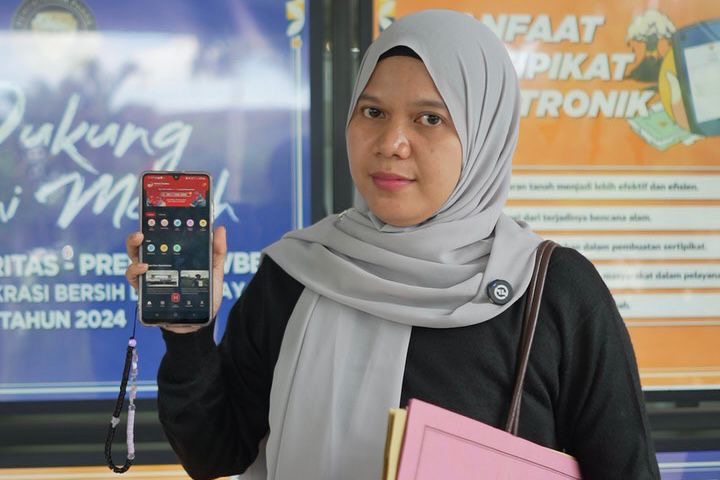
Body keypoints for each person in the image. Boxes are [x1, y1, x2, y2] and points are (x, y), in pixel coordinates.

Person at [125, 9, 660, 480]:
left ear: (484, 134)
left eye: (430, 118)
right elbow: (214, 453)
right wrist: (188, 335)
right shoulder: (299, 271)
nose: (391, 143)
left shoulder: (550, 293)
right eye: (373, 112)